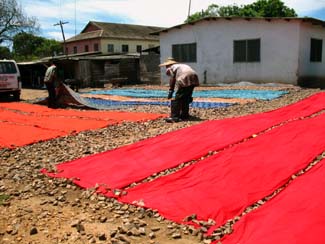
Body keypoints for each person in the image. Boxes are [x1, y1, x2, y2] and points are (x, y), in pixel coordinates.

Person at [159, 58, 200, 122]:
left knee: (178, 97)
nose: (166, 67)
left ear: (168, 65)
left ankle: (174, 117)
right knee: (186, 96)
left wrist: (171, 90)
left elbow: (172, 79)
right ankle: (185, 115)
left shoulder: (171, 67)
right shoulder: (181, 65)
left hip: (185, 76)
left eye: (166, 66)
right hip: (194, 76)